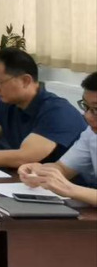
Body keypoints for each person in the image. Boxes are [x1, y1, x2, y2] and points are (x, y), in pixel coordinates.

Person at [19, 72, 97, 206]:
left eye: (96, 109)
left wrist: (70, 189)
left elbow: (68, 187)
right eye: (86, 106)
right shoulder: (91, 133)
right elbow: (63, 168)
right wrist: (40, 170)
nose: (88, 116)